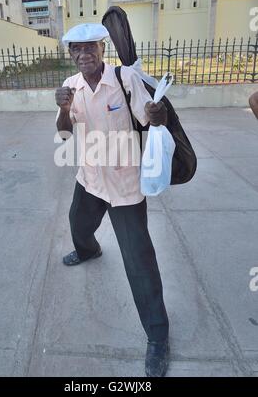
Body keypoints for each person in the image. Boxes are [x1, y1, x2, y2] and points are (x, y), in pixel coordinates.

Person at [55, 23, 170, 378]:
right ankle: (89, 250)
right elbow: (63, 133)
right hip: (90, 179)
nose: (83, 55)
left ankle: (158, 337)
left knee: (139, 261)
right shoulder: (71, 88)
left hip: (124, 185)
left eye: (90, 48)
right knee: (78, 225)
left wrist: (156, 116)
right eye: (76, 49)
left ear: (102, 49)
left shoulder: (124, 79)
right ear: (71, 54)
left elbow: (152, 117)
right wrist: (61, 108)